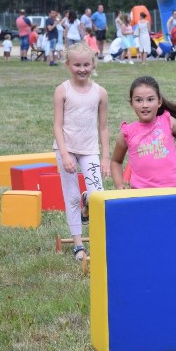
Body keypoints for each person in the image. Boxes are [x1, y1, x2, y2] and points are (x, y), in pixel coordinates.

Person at [52, 43, 111, 261]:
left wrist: (105, 156)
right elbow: (57, 125)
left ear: (93, 64)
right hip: (66, 149)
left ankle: (99, 237)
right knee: (72, 195)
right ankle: (78, 245)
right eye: (77, 65)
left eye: (86, 64)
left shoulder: (100, 93)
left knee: (97, 193)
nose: (82, 69)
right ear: (68, 65)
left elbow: (103, 126)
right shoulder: (62, 90)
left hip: (90, 150)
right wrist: (65, 154)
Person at [110, 76, 176, 189]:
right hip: (141, 194)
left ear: (159, 102)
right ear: (131, 104)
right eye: (139, 100)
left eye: (150, 99)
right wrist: (120, 185)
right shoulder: (127, 132)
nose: (145, 105)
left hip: (175, 189)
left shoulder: (168, 121)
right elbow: (116, 161)